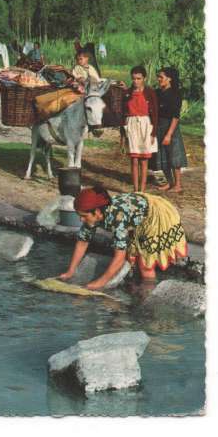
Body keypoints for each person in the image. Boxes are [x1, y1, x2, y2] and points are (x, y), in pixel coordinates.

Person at [59, 186, 187, 290]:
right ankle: (136, 286)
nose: (81, 219)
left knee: (145, 264)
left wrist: (98, 283)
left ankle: (147, 301)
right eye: (79, 215)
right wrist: (70, 271)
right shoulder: (92, 217)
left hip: (154, 214)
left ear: (97, 212)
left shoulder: (117, 218)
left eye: (83, 216)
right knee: (132, 257)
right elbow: (82, 242)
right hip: (136, 213)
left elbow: (119, 258)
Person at [119, 66, 159, 192]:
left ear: (144, 78)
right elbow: (122, 112)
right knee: (134, 159)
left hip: (146, 125)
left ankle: (142, 190)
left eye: (139, 78)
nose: (136, 81)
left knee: (144, 159)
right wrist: (123, 133)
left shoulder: (150, 92)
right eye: (134, 78)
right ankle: (135, 189)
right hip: (131, 124)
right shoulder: (128, 93)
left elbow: (155, 113)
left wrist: (153, 133)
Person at [155, 67, 188, 193]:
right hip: (159, 126)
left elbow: (175, 116)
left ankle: (178, 185)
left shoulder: (175, 94)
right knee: (162, 155)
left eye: (161, 77)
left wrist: (169, 134)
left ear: (169, 79)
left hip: (171, 126)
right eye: (158, 76)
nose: (159, 79)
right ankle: (170, 183)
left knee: (174, 155)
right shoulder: (158, 93)